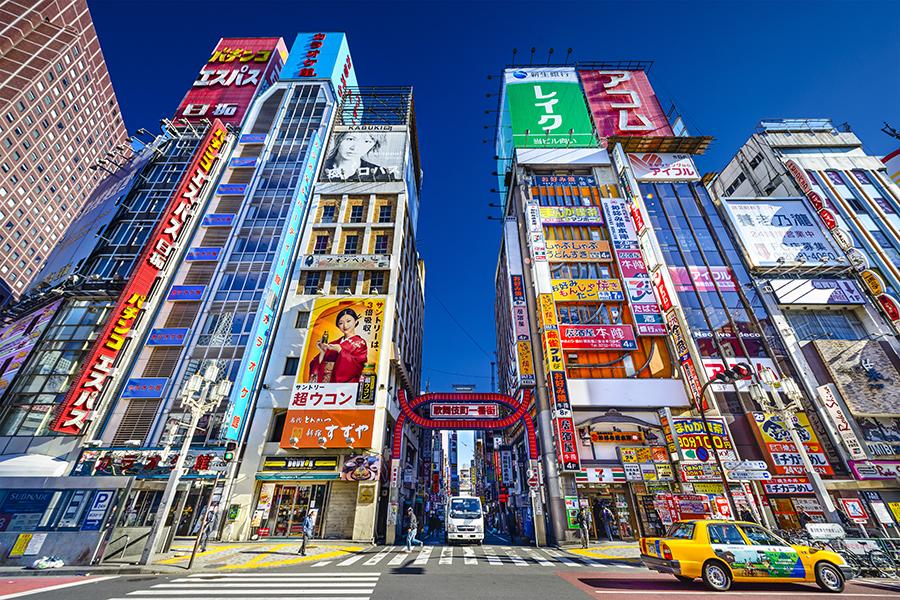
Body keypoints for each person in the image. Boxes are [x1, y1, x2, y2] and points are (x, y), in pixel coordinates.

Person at [308, 308, 369, 384]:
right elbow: (314, 364)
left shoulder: (360, 343)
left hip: (346, 386)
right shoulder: (334, 343)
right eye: (341, 323)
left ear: (356, 321)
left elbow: (358, 366)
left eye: (348, 321)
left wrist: (340, 351)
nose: (345, 326)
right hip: (326, 384)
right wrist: (323, 352)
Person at [322, 131, 398, 182]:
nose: (355, 147)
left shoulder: (381, 174)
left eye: (367, 141)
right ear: (339, 138)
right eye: (350, 139)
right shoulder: (319, 168)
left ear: (373, 145)